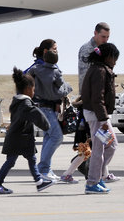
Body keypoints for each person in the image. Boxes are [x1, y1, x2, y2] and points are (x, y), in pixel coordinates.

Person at [0, 68, 54, 194]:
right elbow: (35, 114)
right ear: (28, 89)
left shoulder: (18, 101)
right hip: (18, 138)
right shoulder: (25, 104)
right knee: (11, 162)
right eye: (33, 89)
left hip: (21, 137)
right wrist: (47, 126)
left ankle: (39, 182)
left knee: (31, 159)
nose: (34, 92)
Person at [25, 39, 72, 181]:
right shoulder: (43, 67)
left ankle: (46, 170)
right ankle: (43, 169)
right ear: (46, 51)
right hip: (44, 107)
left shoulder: (39, 67)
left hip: (47, 107)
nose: (57, 51)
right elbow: (59, 88)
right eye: (55, 49)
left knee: (48, 137)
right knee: (57, 137)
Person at [80, 43, 120, 194]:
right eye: (114, 58)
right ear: (108, 57)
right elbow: (97, 98)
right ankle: (92, 183)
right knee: (99, 149)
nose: (115, 61)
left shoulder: (101, 69)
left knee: (111, 145)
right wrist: (103, 120)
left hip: (100, 115)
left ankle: (98, 177)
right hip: (98, 117)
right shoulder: (99, 71)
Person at [78, 22, 110, 88]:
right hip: (90, 92)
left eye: (107, 37)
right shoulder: (87, 50)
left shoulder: (104, 49)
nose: (106, 40)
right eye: (103, 37)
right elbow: (84, 75)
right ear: (95, 33)